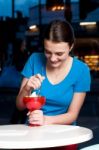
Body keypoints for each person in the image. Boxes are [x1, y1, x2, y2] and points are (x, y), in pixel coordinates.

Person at [16, 20, 91, 150]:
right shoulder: (34, 60)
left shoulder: (81, 70)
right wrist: (27, 88)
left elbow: (72, 115)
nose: (52, 58)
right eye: (48, 52)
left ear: (71, 46)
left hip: (64, 135)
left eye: (59, 53)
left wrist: (45, 120)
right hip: (33, 133)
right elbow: (20, 106)